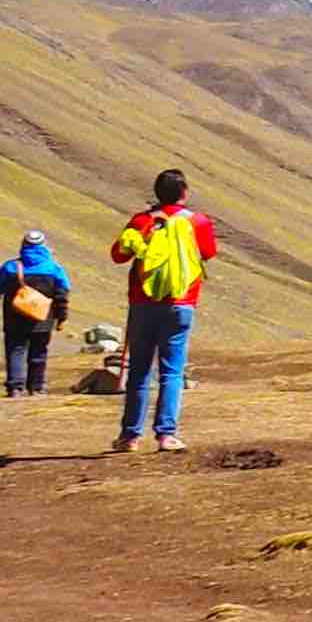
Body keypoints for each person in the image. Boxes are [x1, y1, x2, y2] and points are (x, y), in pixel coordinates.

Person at [110, 170, 217, 453]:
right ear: (185, 192)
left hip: (142, 303)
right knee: (171, 371)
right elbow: (207, 253)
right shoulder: (197, 221)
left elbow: (118, 255)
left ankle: (129, 436)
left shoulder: (142, 220)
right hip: (181, 302)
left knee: (139, 371)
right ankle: (166, 434)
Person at [0, 229, 72, 397]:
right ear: (44, 246)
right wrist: (61, 318)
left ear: (23, 245)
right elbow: (62, 294)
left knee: (15, 351)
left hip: (14, 319)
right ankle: (37, 387)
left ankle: (15, 387)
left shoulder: (11, 266)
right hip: (42, 320)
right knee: (39, 352)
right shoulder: (54, 268)